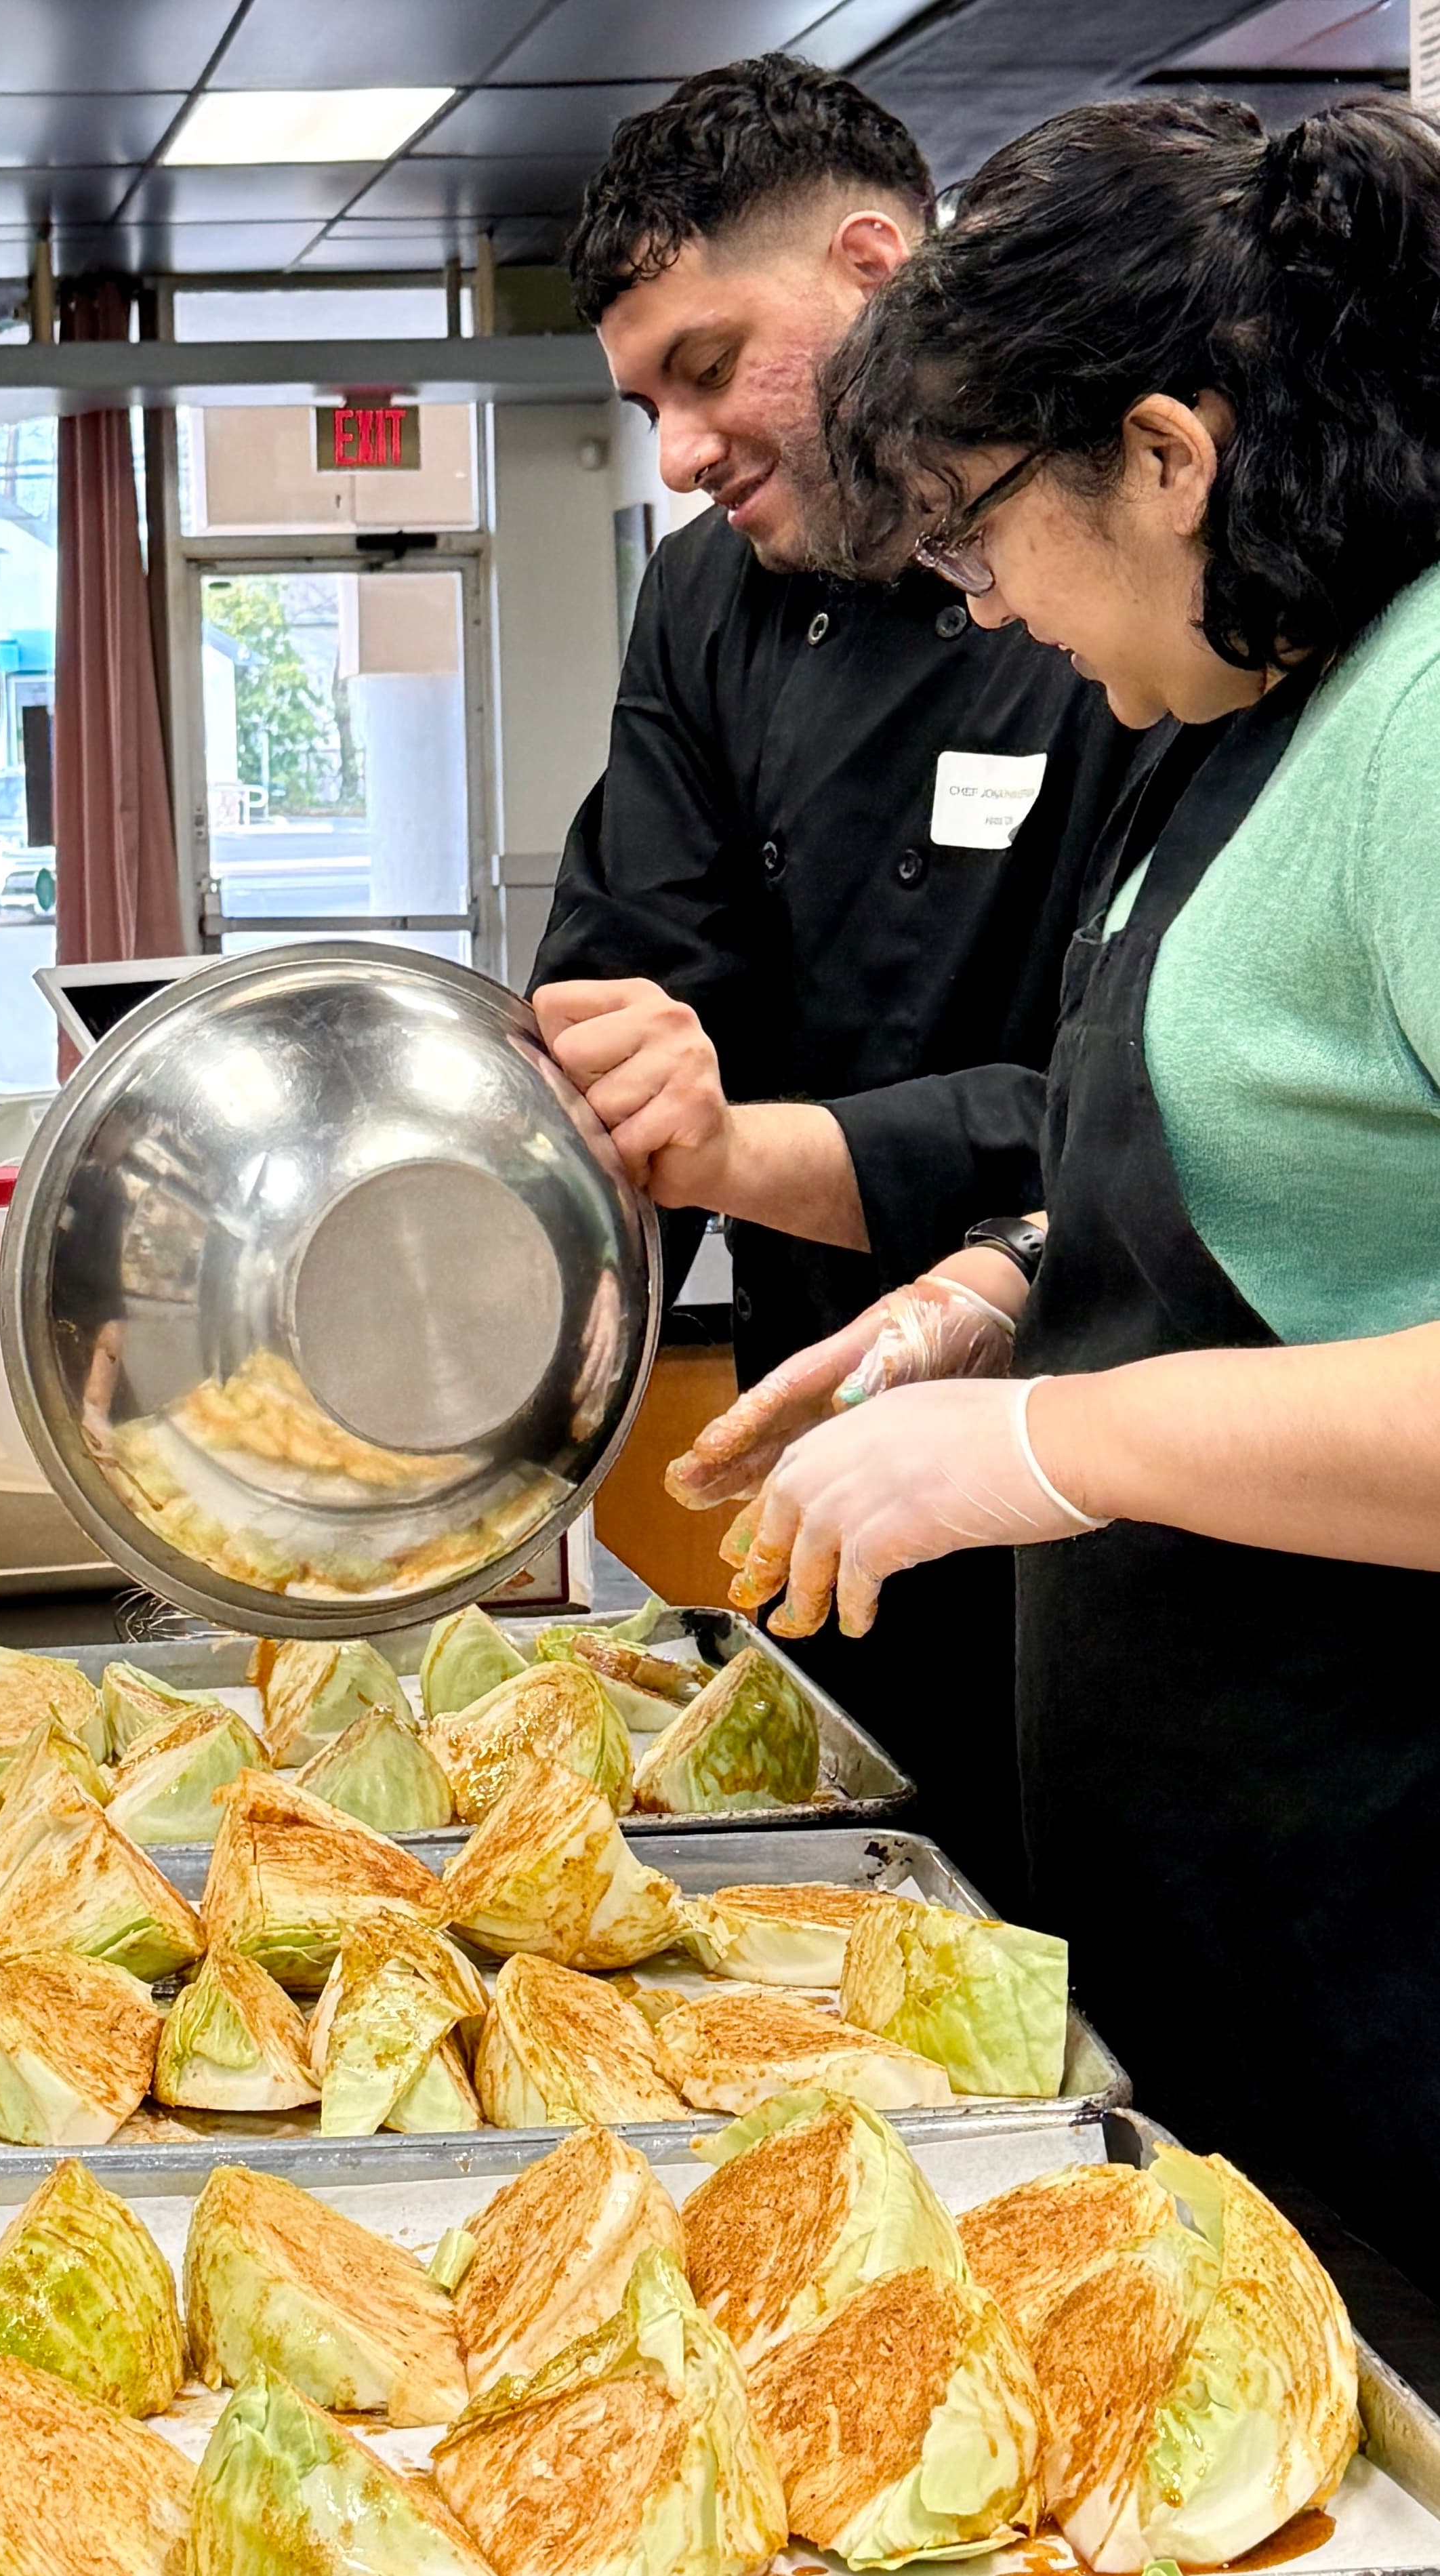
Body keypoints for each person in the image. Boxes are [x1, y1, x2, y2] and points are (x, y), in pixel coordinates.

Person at [714, 94, 1440, 2299]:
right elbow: (1290, 1193)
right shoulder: (1250, 711)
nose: (988, 605)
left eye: (974, 533)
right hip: (1235, 1937)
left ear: (1162, 451)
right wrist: (992, 1295)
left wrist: (1045, 1443)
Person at [527, 56, 1150, 1910]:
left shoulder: (1132, 578)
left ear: (874, 268)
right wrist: (613, 1058)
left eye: (708, 372)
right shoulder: (704, 601)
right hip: (820, 1453)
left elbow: (1140, 1105)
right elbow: (632, 965)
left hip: (1111, 1470)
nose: (680, 454)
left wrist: (752, 1143)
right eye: (646, 402)